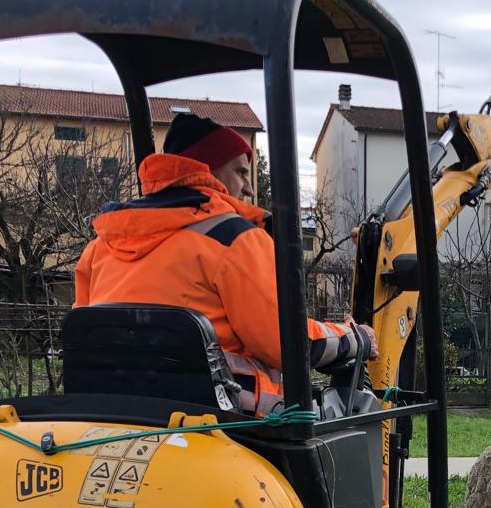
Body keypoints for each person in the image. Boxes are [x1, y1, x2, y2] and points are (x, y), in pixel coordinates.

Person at [74, 112, 371, 413]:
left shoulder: (100, 247)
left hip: (116, 418)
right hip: (232, 429)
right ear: (208, 170)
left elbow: (83, 340)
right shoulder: (232, 239)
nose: (249, 188)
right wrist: (354, 338)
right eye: (241, 172)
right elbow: (289, 344)